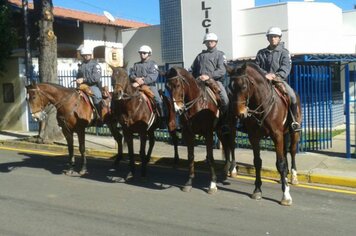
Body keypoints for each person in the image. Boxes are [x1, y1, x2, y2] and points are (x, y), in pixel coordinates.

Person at [255, 26, 301, 131]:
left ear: (279, 38)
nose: (273, 39)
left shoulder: (284, 52)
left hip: (279, 80)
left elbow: (286, 67)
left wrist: (276, 76)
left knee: (292, 96)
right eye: (271, 37)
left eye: (275, 37)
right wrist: (265, 75)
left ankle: (294, 121)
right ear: (267, 38)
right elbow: (257, 67)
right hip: (263, 81)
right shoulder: (261, 53)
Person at [190, 32, 229, 133]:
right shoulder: (200, 56)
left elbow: (222, 70)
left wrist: (209, 76)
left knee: (225, 100)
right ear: (205, 43)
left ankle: (224, 123)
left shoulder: (220, 54)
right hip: (199, 82)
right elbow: (192, 69)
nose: (210, 43)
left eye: (212, 41)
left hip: (214, 82)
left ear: (216, 42)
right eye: (207, 41)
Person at [129, 45, 165, 127]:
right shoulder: (136, 65)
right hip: (136, 86)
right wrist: (136, 79)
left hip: (149, 86)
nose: (142, 55)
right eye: (141, 53)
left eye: (144, 53)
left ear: (149, 54)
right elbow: (131, 74)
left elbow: (153, 76)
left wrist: (142, 81)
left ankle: (162, 119)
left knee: (158, 100)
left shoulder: (153, 64)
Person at [76, 46, 103, 120]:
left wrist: (83, 79)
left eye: (88, 55)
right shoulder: (81, 65)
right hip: (81, 86)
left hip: (93, 86)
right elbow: (78, 75)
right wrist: (77, 80)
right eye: (84, 55)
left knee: (97, 97)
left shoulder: (95, 65)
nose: (86, 56)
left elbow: (96, 78)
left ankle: (99, 117)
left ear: (90, 55)